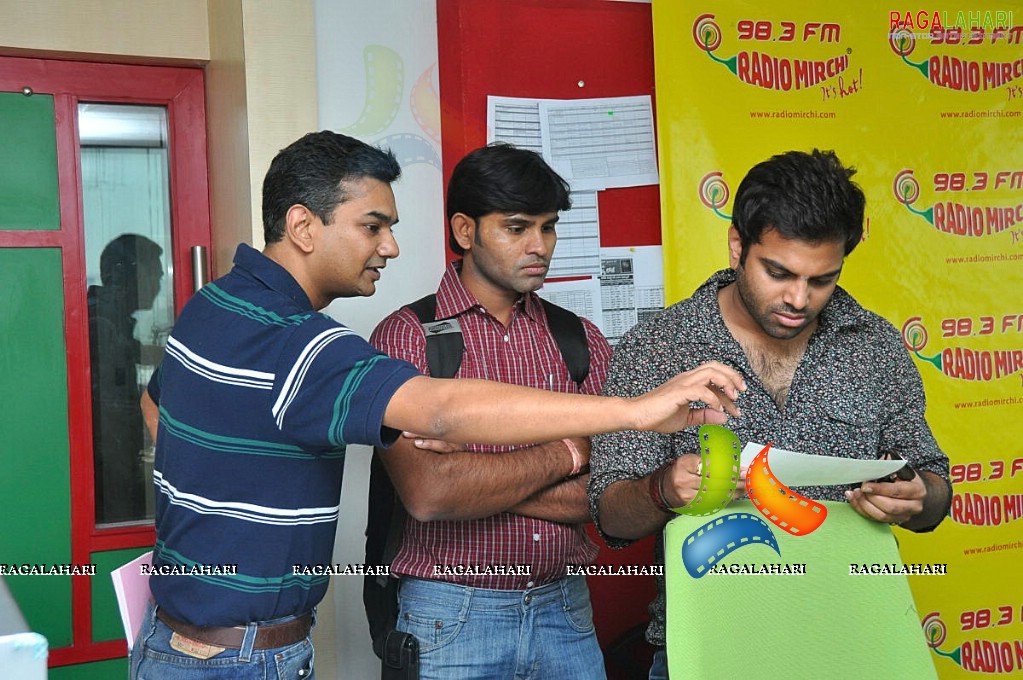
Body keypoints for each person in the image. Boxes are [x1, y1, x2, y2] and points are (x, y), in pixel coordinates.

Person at [130, 131, 746, 679]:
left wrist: (227, 485)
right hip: (247, 655)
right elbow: (440, 438)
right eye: (373, 226)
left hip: (190, 641)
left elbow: (155, 405)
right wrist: (621, 420)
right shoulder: (306, 343)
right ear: (303, 226)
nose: (390, 247)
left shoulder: (214, 304)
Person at [587, 149, 952, 680]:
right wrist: (663, 489)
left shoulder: (875, 346)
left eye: (822, 279)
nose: (799, 299)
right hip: (710, 644)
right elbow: (609, 515)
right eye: (778, 272)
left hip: (857, 636)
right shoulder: (658, 347)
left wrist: (918, 496)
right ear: (738, 245)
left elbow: (933, 491)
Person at [369, 143, 610, 679]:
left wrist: (475, 478)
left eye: (548, 228)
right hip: (451, 614)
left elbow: (609, 491)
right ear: (464, 231)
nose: (539, 246)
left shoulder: (578, 338)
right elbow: (431, 495)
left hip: (564, 610)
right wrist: (569, 450)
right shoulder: (407, 337)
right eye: (517, 227)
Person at [88, 233, 163, 524]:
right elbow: (111, 408)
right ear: (126, 276)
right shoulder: (104, 325)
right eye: (154, 275)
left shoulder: (110, 319)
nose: (158, 285)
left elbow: (138, 354)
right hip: (110, 470)